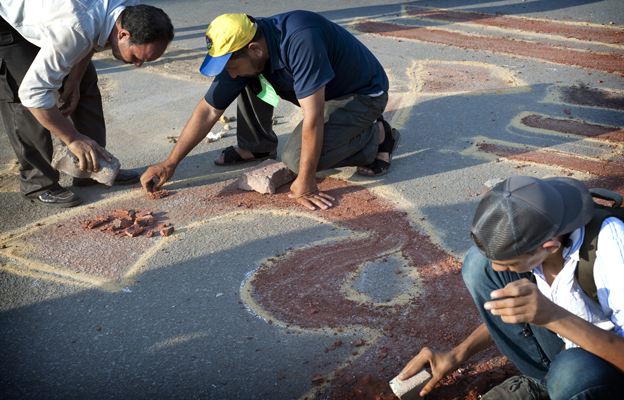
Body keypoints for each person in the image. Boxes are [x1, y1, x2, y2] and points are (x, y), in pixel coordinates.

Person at [141, 11, 399, 211]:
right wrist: (170, 162)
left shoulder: (300, 40)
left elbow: (314, 116)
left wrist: (307, 183)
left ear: (255, 48)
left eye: (229, 64)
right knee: (245, 76)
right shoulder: (248, 45)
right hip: (322, 94)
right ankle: (257, 146)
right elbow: (208, 110)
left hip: (362, 94)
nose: (228, 73)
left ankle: (376, 136)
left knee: (297, 159)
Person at [399, 176, 624, 399]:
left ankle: (565, 385)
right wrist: (457, 354)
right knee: (479, 265)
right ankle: (542, 382)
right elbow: (521, 307)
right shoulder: (541, 233)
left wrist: (553, 317)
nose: (500, 270)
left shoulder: (610, 247)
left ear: (550, 247)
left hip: (610, 363)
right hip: (570, 341)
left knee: (571, 373)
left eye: (510, 264)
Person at [0, 1, 174, 207]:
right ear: (123, 34)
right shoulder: (76, 29)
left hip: (63, 15)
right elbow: (33, 92)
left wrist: (74, 78)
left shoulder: (129, 9)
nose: (138, 64)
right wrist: (72, 137)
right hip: (9, 19)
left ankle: (90, 169)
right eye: (137, 57)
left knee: (84, 83)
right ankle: (38, 184)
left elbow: (93, 39)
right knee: (26, 99)